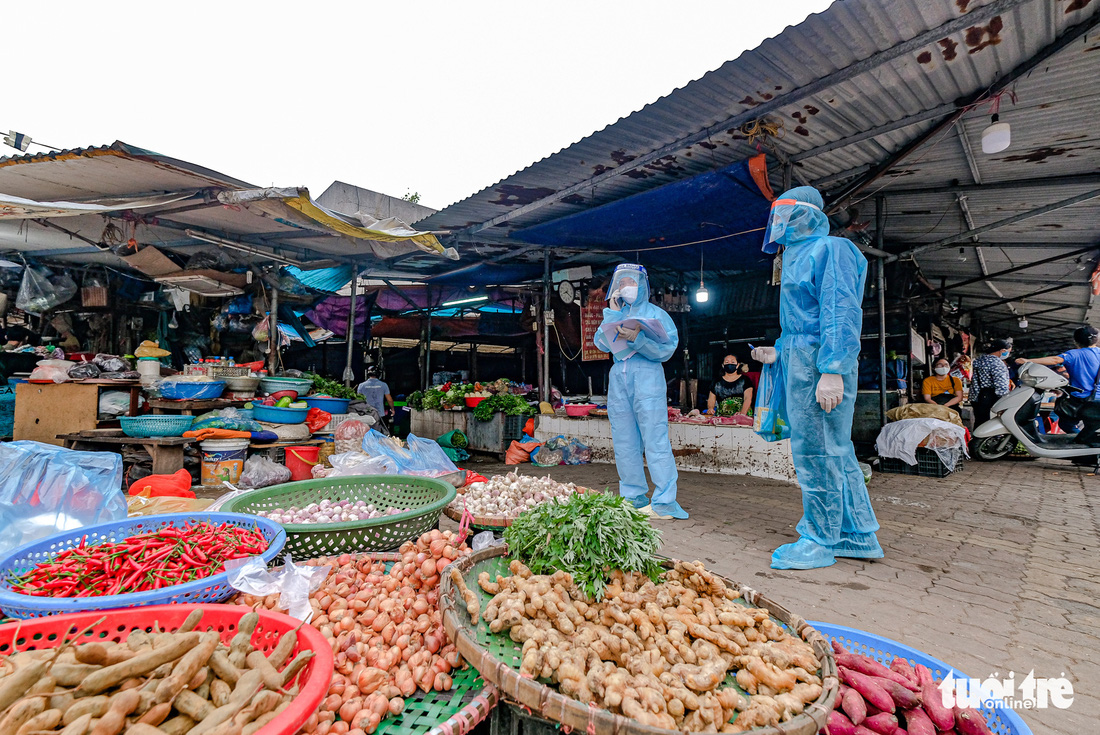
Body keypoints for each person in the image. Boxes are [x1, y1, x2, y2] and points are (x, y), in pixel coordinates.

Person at [750, 186, 881, 570]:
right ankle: (857, 534)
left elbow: (840, 312)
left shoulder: (830, 249)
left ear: (806, 214)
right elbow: (799, 323)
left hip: (819, 365)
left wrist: (833, 370)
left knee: (817, 451)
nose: (778, 223)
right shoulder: (794, 256)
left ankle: (820, 538)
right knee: (835, 450)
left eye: (785, 213)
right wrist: (779, 351)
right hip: (801, 359)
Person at [593, 264, 684, 519]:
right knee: (624, 442)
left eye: (630, 283)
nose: (625, 288)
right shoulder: (616, 312)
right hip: (619, 376)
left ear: (642, 284)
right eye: (621, 284)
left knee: (655, 440)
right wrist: (610, 316)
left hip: (648, 379)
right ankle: (632, 497)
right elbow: (600, 343)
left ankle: (665, 501)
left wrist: (639, 339)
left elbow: (666, 350)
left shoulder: (657, 315)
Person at [1015, 326, 1100, 447]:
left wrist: (1027, 360)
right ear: (1095, 340)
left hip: (1082, 400)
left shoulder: (1074, 354)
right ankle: (1084, 446)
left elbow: (1055, 360)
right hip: (1097, 400)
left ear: (1075, 341)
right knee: (1089, 426)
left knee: (1066, 423)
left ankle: (1082, 447)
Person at [970, 338, 1012, 428]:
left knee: (980, 422)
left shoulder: (979, 360)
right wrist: (1006, 399)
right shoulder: (997, 363)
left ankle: (976, 441)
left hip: (977, 396)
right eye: (1008, 352)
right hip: (990, 396)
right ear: (1002, 351)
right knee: (990, 424)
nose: (1007, 354)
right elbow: (1001, 385)